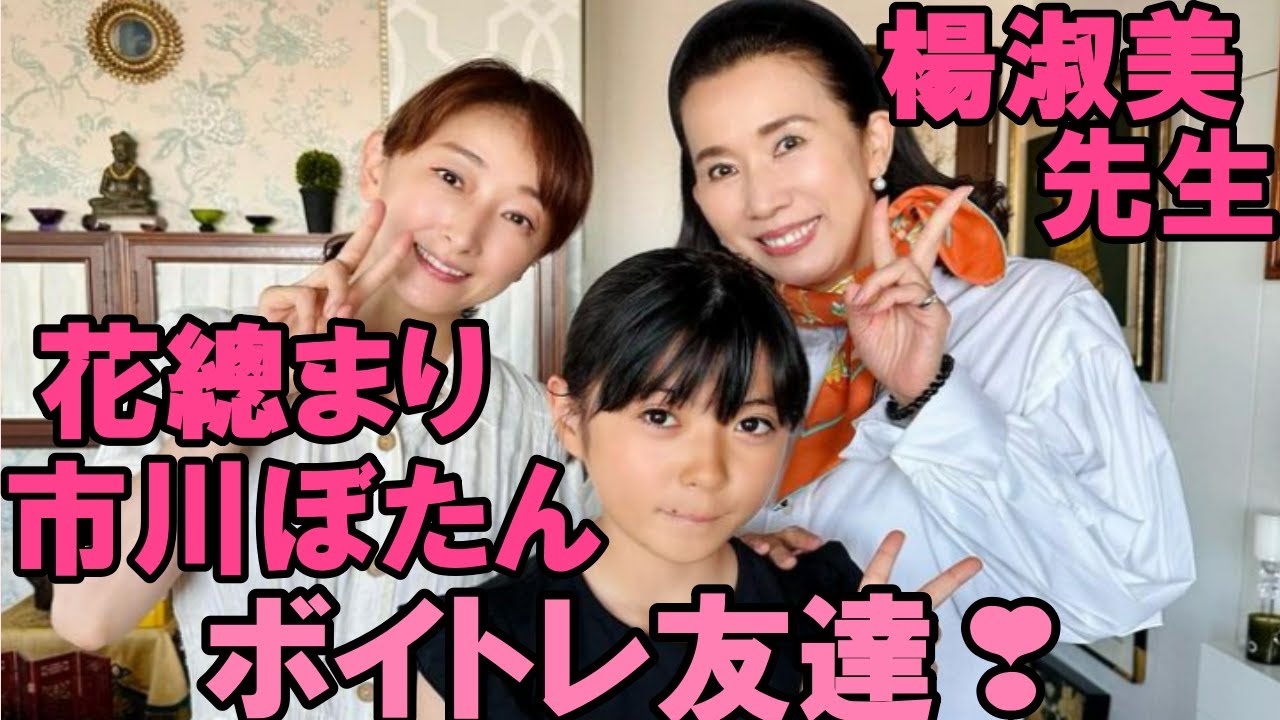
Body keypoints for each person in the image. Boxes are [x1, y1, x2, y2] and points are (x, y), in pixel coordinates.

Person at [666, 1, 1196, 717]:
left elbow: (1122, 591)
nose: (762, 199)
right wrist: (726, 556)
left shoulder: (1037, 314)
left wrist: (932, 394)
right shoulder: (711, 347)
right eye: (723, 167)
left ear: (874, 142)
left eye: (788, 142)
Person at [53, 58, 597, 720]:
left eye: (517, 217)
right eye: (451, 177)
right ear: (376, 164)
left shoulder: (538, 426)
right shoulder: (200, 353)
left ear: (535, 257)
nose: (464, 234)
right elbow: (88, 617)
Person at [414, 247, 982, 718]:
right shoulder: (476, 649)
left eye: (751, 424)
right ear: (569, 419)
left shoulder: (834, 605)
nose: (708, 471)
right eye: (660, 416)